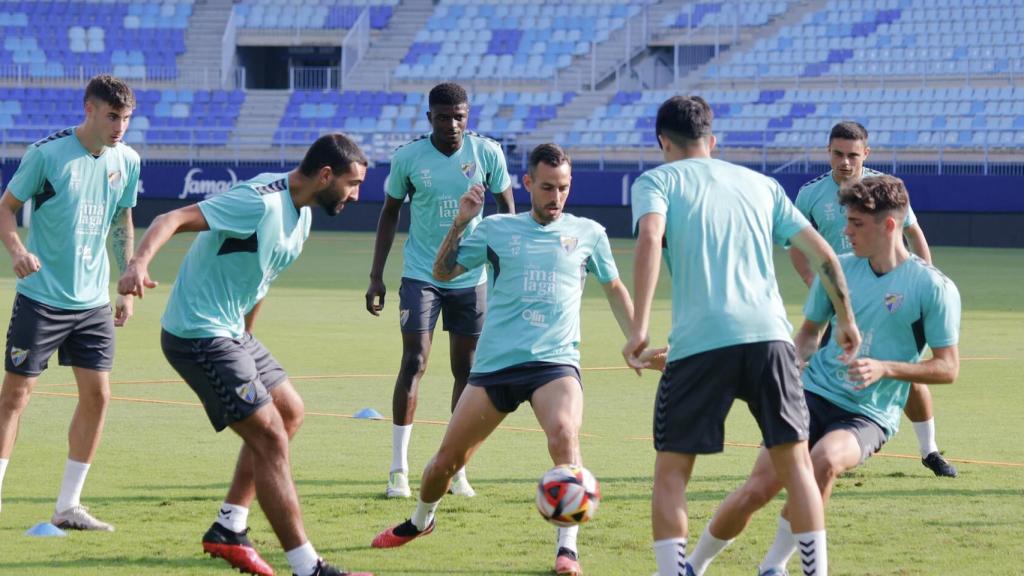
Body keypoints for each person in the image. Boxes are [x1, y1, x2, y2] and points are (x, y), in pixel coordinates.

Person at [623, 96, 861, 576]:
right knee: (797, 470)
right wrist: (848, 319)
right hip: (771, 341)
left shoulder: (657, 180)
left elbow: (650, 239)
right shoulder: (762, 185)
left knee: (672, 473)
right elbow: (826, 258)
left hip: (699, 343)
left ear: (663, 142)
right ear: (712, 141)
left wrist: (639, 327)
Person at [371, 144, 635, 576]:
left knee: (565, 433)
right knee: (443, 465)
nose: (556, 197)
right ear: (527, 184)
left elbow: (615, 289)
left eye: (563, 188)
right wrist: (460, 221)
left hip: (554, 363)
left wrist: (636, 340)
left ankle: (567, 550)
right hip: (495, 367)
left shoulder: (589, 233)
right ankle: (420, 520)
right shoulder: (496, 230)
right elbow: (442, 272)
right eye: (547, 187)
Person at [117, 134, 372, 576]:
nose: (356, 194)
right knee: (270, 436)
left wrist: (246, 346)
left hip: (233, 334)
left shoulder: (303, 218)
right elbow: (172, 216)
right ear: (326, 175)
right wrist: (138, 264)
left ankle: (229, 527)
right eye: (352, 184)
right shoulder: (259, 201)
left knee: (290, 412)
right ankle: (307, 567)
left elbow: (261, 279)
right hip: (197, 333)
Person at [685, 175, 961, 576]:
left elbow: (947, 367)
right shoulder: (839, 271)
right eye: (846, 221)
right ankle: (691, 566)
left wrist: (886, 368)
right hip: (811, 395)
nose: (845, 233)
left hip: (869, 414)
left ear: (888, 225)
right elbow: (809, 334)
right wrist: (787, 371)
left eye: (855, 224)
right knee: (758, 488)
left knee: (824, 461)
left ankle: (774, 565)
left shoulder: (933, 288)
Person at [0, 74, 139, 531]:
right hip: (42, 297)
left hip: (93, 301)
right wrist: (19, 251)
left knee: (98, 397)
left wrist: (125, 278)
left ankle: (68, 505)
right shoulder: (48, 153)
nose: (120, 126)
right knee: (16, 396)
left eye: (126, 118)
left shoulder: (128, 160)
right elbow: (5, 206)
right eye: (112, 116)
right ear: (89, 109)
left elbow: (122, 216)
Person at [366, 82, 515, 499]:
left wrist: (508, 266)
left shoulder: (487, 153)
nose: (452, 124)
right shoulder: (409, 158)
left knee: (467, 372)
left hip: (471, 277)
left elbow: (508, 209)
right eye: (444, 117)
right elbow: (389, 213)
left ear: (468, 117)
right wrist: (376, 275)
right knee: (414, 361)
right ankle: (399, 469)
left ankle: (455, 469)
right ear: (428, 117)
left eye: (460, 117)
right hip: (421, 275)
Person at [790, 121, 955, 478]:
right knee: (823, 367)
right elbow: (797, 245)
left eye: (853, 155)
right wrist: (818, 285)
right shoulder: (810, 194)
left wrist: (922, 276)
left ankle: (929, 450)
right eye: (838, 154)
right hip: (838, 298)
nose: (845, 162)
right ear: (828, 152)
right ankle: (825, 436)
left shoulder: (884, 191)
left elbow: (913, 231)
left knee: (908, 375)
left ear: (866, 153)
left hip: (889, 291)